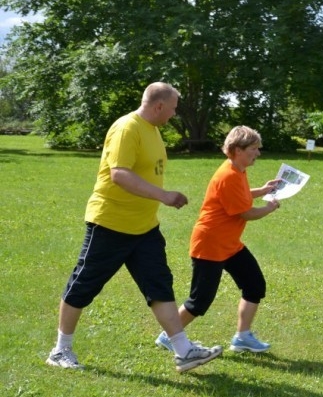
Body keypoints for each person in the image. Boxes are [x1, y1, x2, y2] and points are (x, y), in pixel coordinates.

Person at [46, 82, 223, 373]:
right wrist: (164, 196)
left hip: (144, 229)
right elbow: (119, 175)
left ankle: (183, 350)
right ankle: (60, 350)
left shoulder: (152, 130)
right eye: (174, 108)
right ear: (159, 106)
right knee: (84, 284)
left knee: (159, 284)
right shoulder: (127, 128)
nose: (174, 114)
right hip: (111, 223)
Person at [155, 126, 281, 354]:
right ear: (236, 150)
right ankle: (168, 336)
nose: (258, 153)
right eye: (253, 148)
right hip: (210, 244)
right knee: (199, 301)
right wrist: (269, 208)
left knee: (254, 285)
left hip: (229, 245)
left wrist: (262, 190)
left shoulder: (238, 170)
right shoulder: (228, 175)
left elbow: (241, 195)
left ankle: (242, 337)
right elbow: (246, 213)